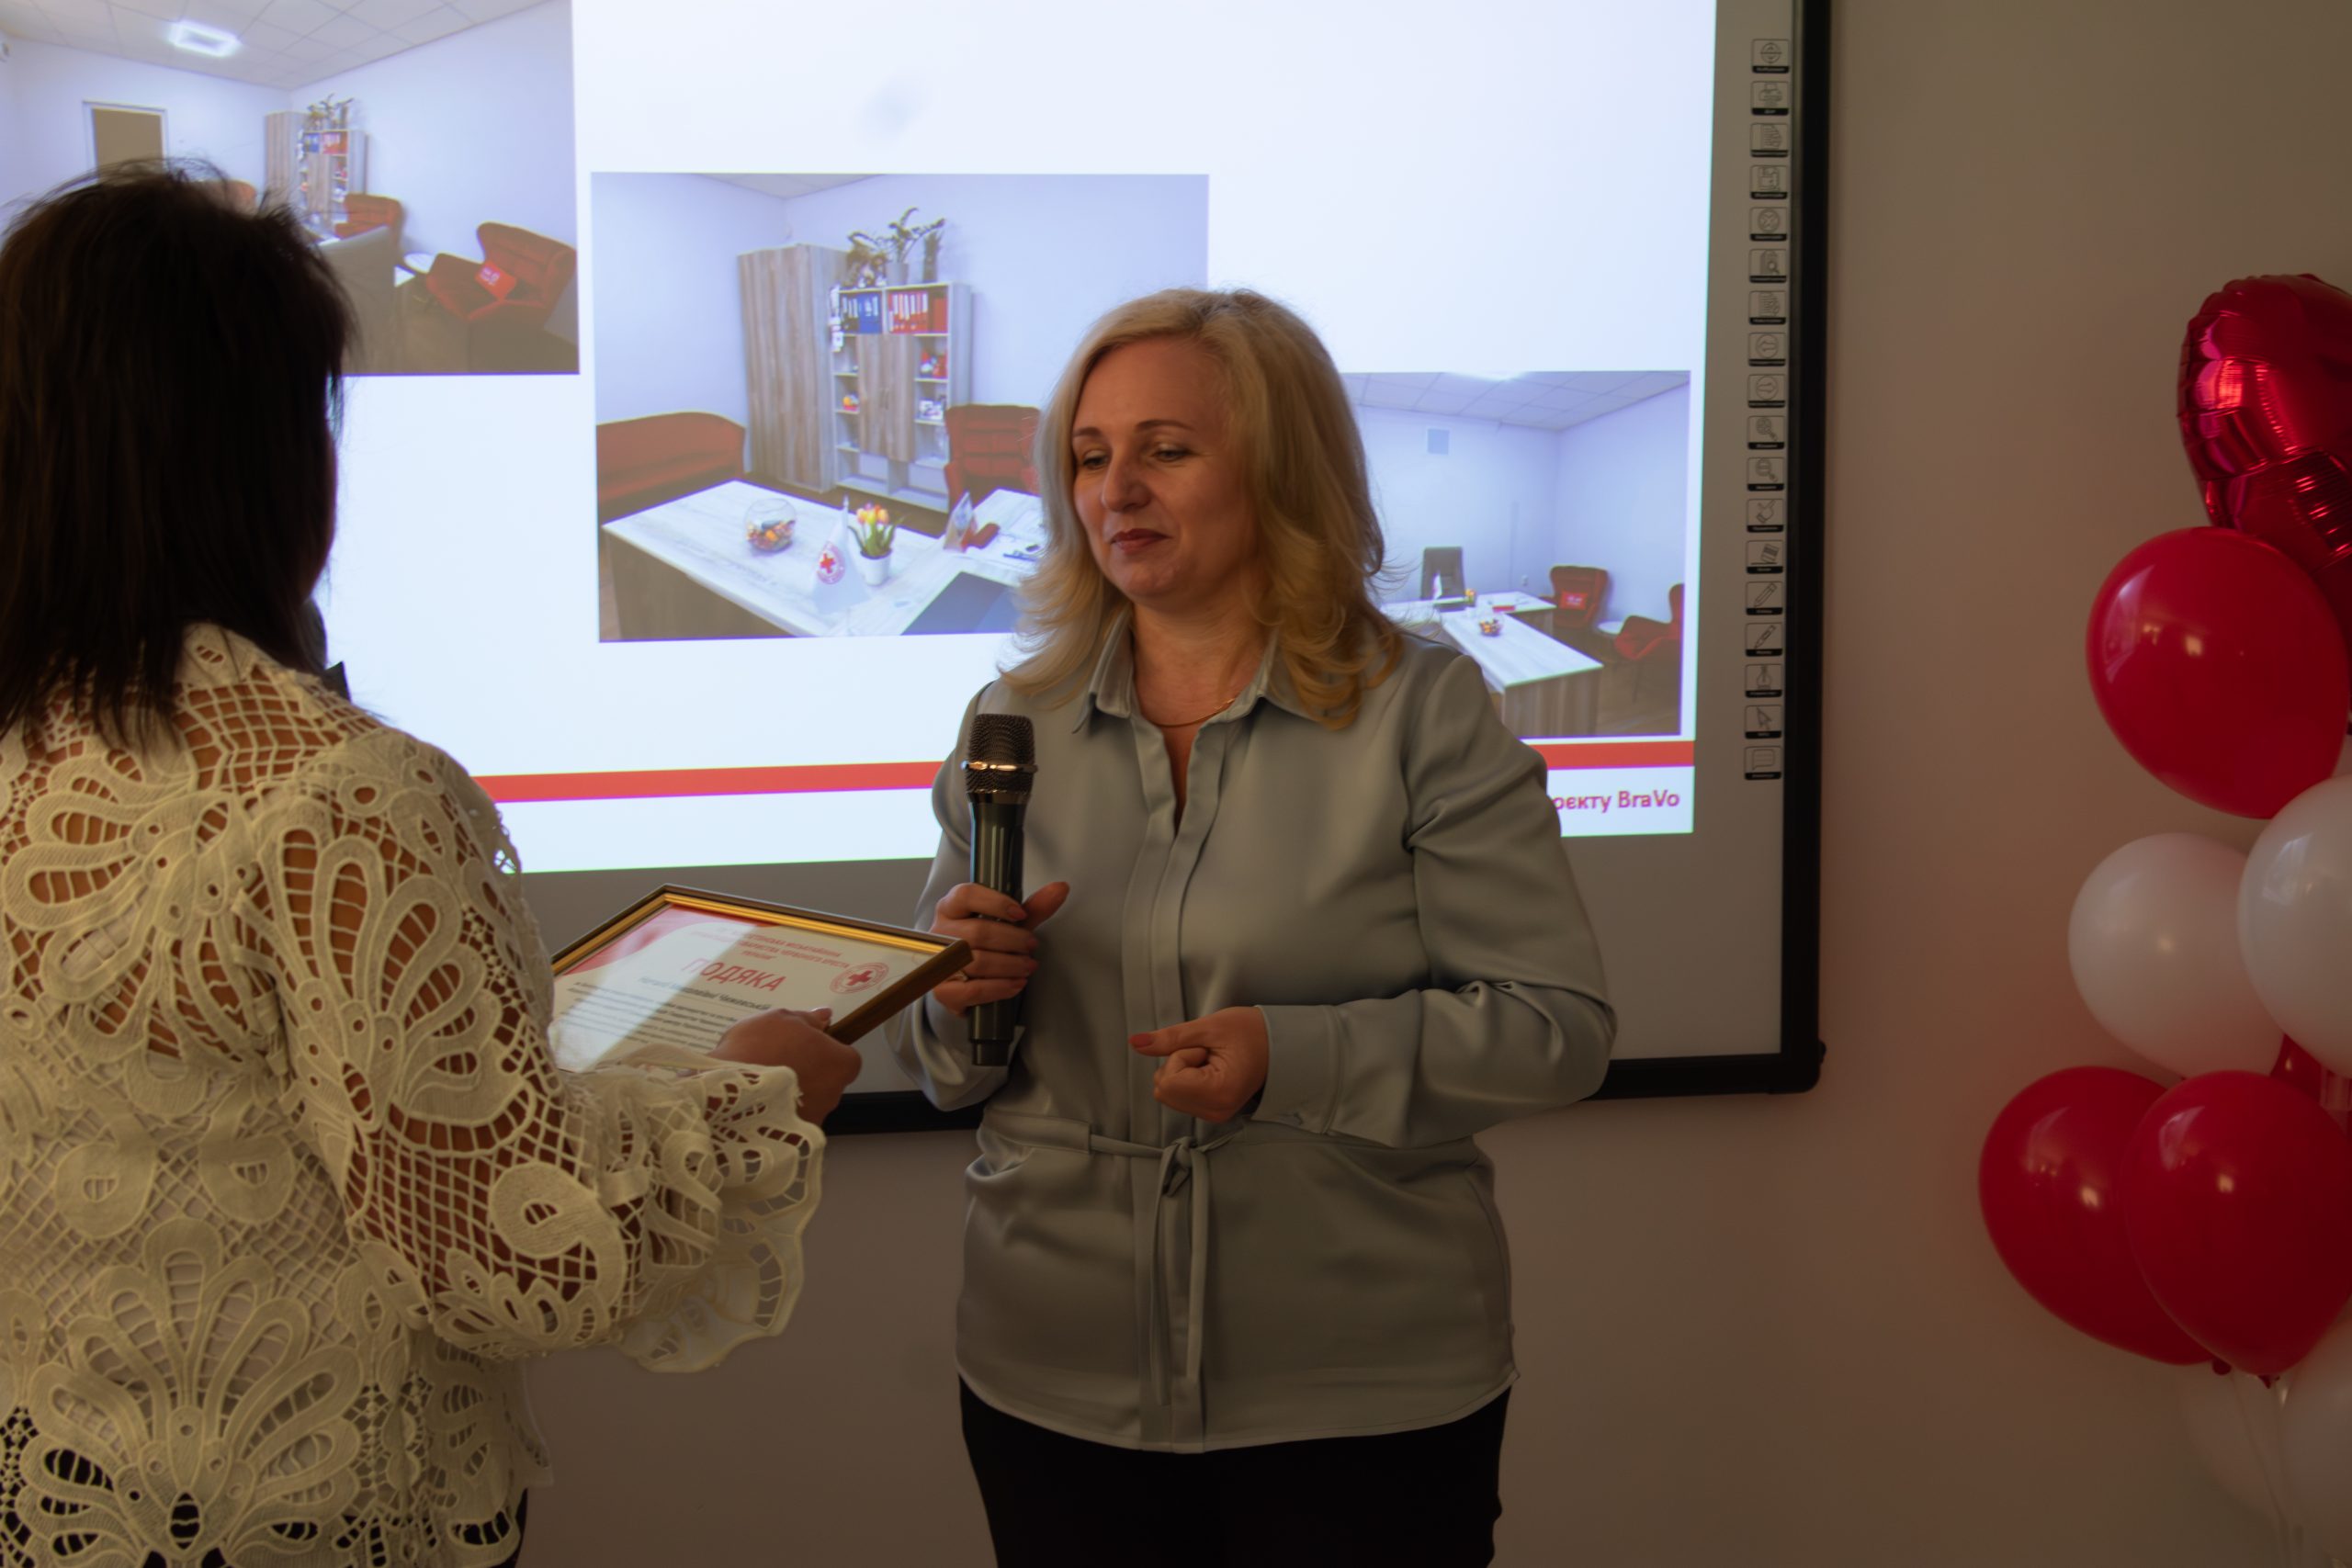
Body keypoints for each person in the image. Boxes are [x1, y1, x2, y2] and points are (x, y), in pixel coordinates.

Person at [0, 164, 861, 1566]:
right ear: (266, 456)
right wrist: (748, 1096)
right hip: (313, 1520)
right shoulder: (334, 791)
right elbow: (508, 1258)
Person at [896, 288, 1615, 1567]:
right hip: (1053, 1374)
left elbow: (1553, 1029)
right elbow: (945, 1071)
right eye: (1090, 456)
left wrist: (1297, 1057)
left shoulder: (1422, 711)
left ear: (1281, 471)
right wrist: (955, 999)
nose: (1117, 490)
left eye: (1167, 450)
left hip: (1360, 1393)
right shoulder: (1010, 723)